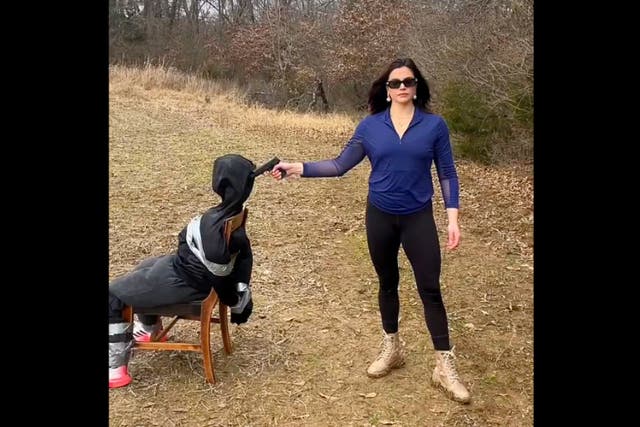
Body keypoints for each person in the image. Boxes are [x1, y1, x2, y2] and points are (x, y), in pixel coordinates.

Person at [270, 58, 471, 403]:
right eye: (395, 83)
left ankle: (444, 366)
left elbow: (448, 174)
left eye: (409, 81)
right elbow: (339, 164)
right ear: (387, 90)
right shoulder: (371, 126)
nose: (403, 87)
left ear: (417, 86)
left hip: (418, 218)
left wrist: (452, 217)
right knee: (387, 282)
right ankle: (392, 348)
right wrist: (297, 167)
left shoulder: (434, 126)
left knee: (430, 288)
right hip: (379, 216)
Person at [108, 154, 257, 389]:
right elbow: (233, 263)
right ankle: (149, 330)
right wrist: (235, 295)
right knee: (144, 266)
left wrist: (233, 299)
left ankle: (114, 369)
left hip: (186, 282)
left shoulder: (214, 225)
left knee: (112, 294)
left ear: (220, 183)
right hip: (185, 272)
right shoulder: (232, 212)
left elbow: (217, 274)